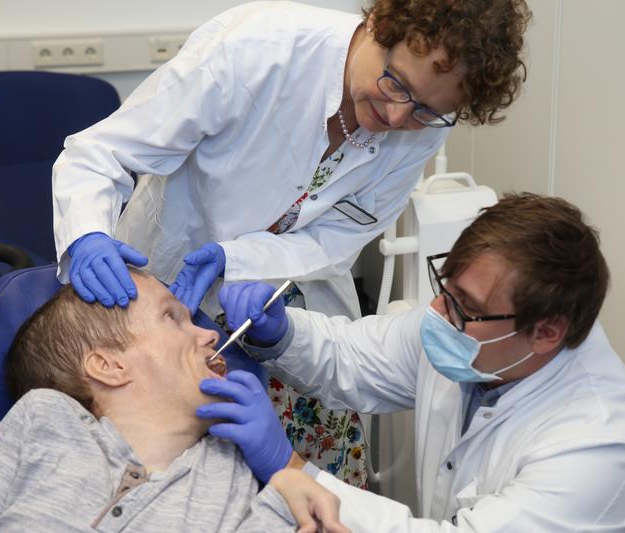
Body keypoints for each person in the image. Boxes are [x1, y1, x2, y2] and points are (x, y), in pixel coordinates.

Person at [51, 0, 531, 485]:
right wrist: (88, 235)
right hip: (165, 273)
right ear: (377, 26)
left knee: (314, 478)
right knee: (163, 460)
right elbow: (100, 153)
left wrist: (235, 259)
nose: (395, 114)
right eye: (396, 84)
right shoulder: (255, 51)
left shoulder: (422, 127)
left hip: (290, 296)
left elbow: (340, 236)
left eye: (425, 110)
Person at [209, 193, 625, 532]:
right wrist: (284, 332)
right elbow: (356, 357)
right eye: (447, 289)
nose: (437, 314)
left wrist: (294, 470)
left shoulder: (602, 448)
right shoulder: (477, 338)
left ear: (546, 331)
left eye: (465, 305)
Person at [0, 269, 348, 533]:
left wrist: (291, 473)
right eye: (173, 318)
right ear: (108, 365)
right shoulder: (44, 419)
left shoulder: (239, 480)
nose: (211, 335)